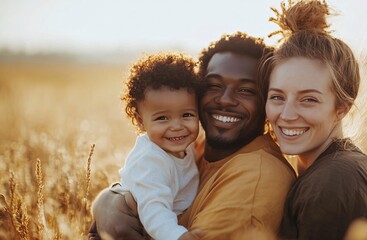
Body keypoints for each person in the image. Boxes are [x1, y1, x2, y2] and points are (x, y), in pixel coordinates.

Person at [88, 32, 297, 240]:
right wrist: (110, 199)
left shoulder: (256, 177)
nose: (225, 100)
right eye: (214, 85)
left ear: (268, 102)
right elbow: (147, 183)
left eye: (246, 90)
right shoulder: (191, 148)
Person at [258, 1, 367, 239]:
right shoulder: (335, 167)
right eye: (277, 96)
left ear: (342, 108)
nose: (286, 115)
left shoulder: (333, 181)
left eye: (308, 100)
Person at [91, 52, 203, 240]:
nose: (176, 126)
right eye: (162, 118)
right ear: (141, 122)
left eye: (187, 115)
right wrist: (179, 237)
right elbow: (154, 210)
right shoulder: (150, 159)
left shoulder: (187, 147)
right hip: (135, 226)